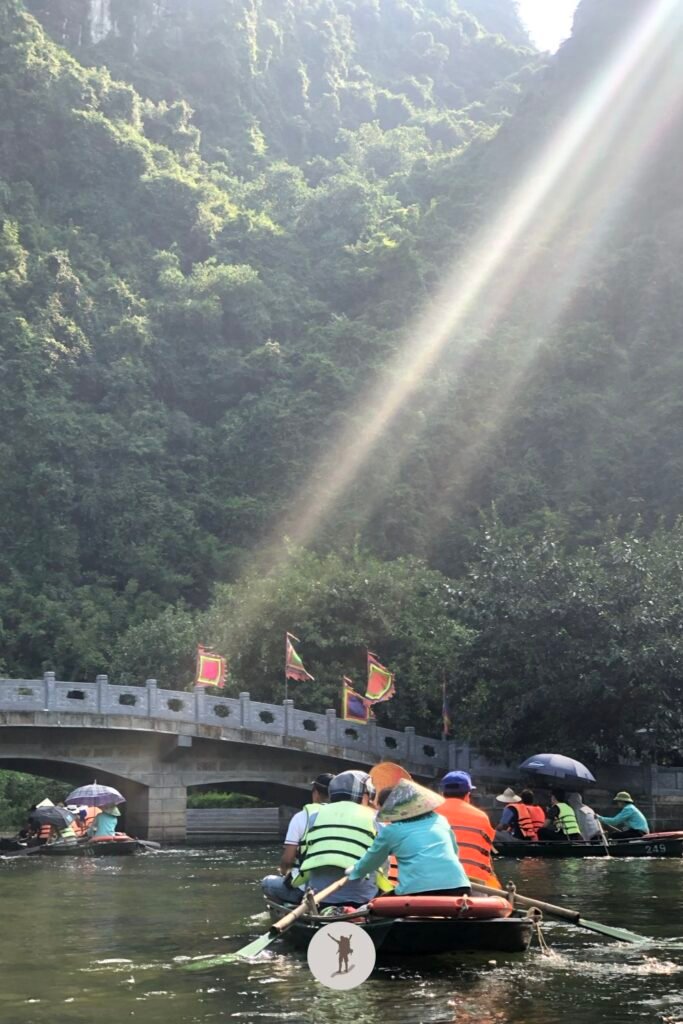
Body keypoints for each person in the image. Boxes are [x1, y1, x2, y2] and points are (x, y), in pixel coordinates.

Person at [346, 778, 471, 897]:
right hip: (460, 886)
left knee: (377, 909)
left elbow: (372, 860)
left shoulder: (391, 831)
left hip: (416, 892)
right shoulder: (440, 820)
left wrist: (356, 871)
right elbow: (454, 852)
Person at [282, 770, 380, 907]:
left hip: (319, 899)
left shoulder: (312, 817)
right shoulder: (375, 818)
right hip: (362, 899)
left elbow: (296, 857)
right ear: (364, 796)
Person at [260, 772, 334, 905]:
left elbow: (288, 860)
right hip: (342, 886)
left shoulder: (301, 817)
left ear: (315, 792)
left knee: (267, 883)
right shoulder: (348, 818)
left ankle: (290, 907)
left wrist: (284, 873)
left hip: (307, 889)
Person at [436, 771, 502, 888]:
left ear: (442, 793)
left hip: (433, 883)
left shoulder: (428, 814)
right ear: (467, 794)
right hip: (474, 885)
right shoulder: (482, 817)